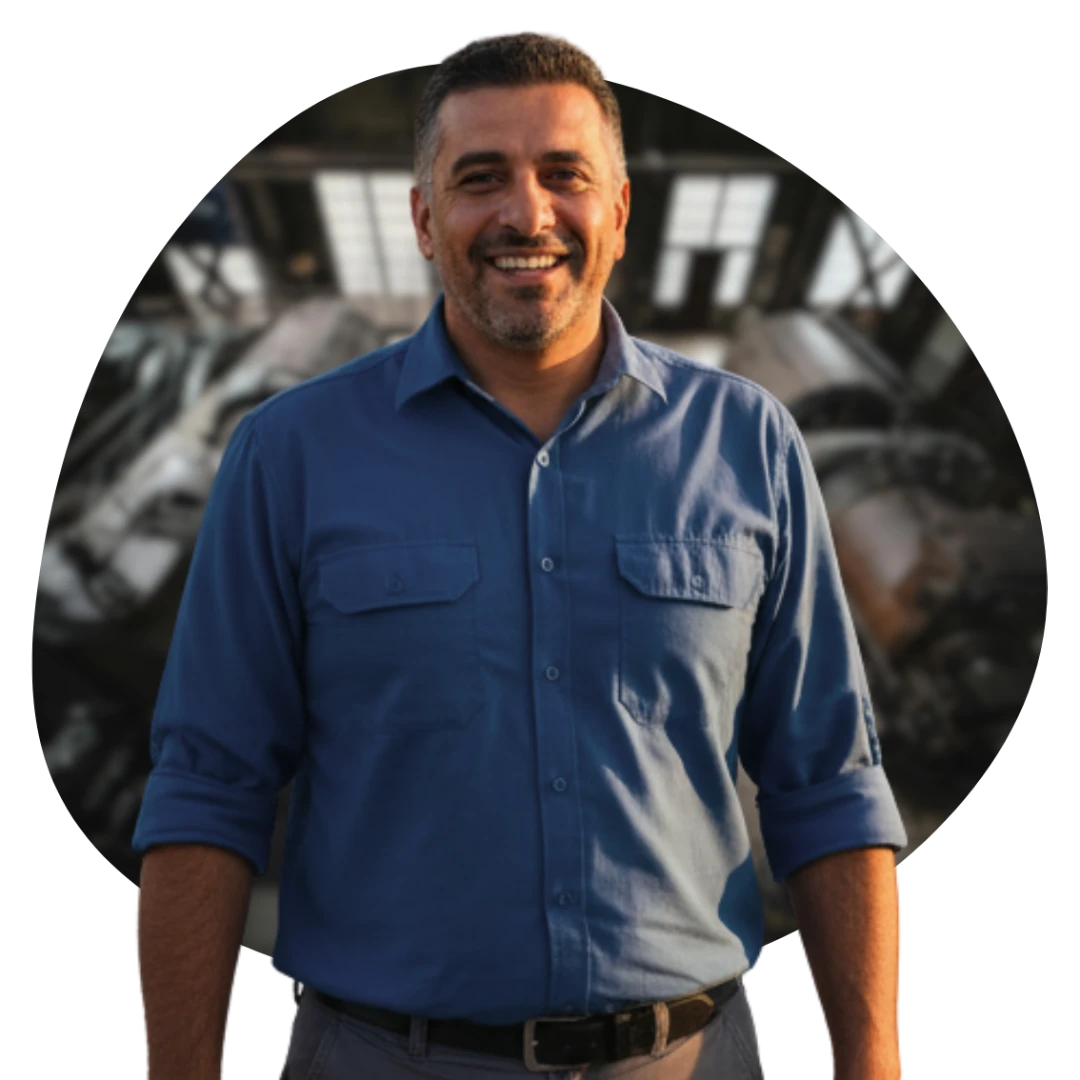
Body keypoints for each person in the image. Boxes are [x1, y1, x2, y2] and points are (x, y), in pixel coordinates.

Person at [132, 29, 906, 1080]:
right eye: (480, 178)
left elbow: (829, 783)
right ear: (423, 218)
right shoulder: (291, 454)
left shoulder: (748, 442)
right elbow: (207, 789)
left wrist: (873, 1065)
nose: (526, 215)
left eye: (564, 176)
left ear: (619, 211)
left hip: (690, 1056)